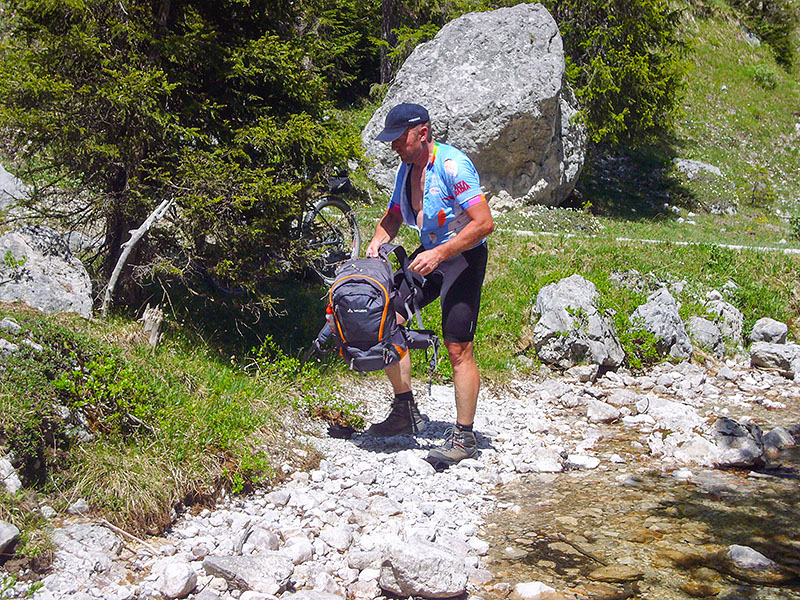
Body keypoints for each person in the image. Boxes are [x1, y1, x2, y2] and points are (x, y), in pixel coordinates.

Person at [365, 102, 494, 468]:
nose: (394, 147)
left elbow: (483, 224)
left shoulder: (453, 166)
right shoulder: (406, 171)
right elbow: (392, 216)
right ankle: (405, 409)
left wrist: (439, 255)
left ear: (423, 133)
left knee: (458, 347)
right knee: (386, 320)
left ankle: (464, 437)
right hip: (431, 255)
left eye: (399, 138)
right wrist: (378, 240)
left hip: (463, 257)